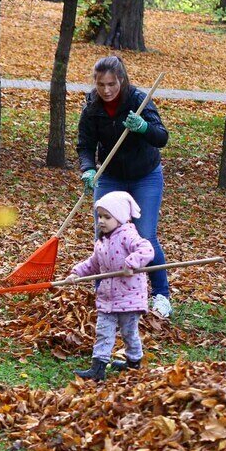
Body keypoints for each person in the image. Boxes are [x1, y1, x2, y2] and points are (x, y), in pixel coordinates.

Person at [76, 55, 172, 319]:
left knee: (145, 236)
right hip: (110, 176)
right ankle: (104, 292)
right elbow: (85, 144)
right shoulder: (92, 107)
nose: (106, 90)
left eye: (112, 84)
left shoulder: (138, 101)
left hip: (145, 175)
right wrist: (88, 169)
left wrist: (142, 127)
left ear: (122, 80)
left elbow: (161, 136)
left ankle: (161, 295)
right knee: (104, 235)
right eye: (101, 85)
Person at [64, 191, 154, 381]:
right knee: (103, 332)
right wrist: (76, 273)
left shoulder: (128, 235)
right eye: (99, 216)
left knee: (129, 333)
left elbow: (146, 250)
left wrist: (132, 263)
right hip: (107, 297)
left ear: (120, 217)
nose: (101, 221)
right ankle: (98, 369)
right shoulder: (102, 241)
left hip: (129, 297)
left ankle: (134, 362)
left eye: (107, 217)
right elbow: (93, 264)